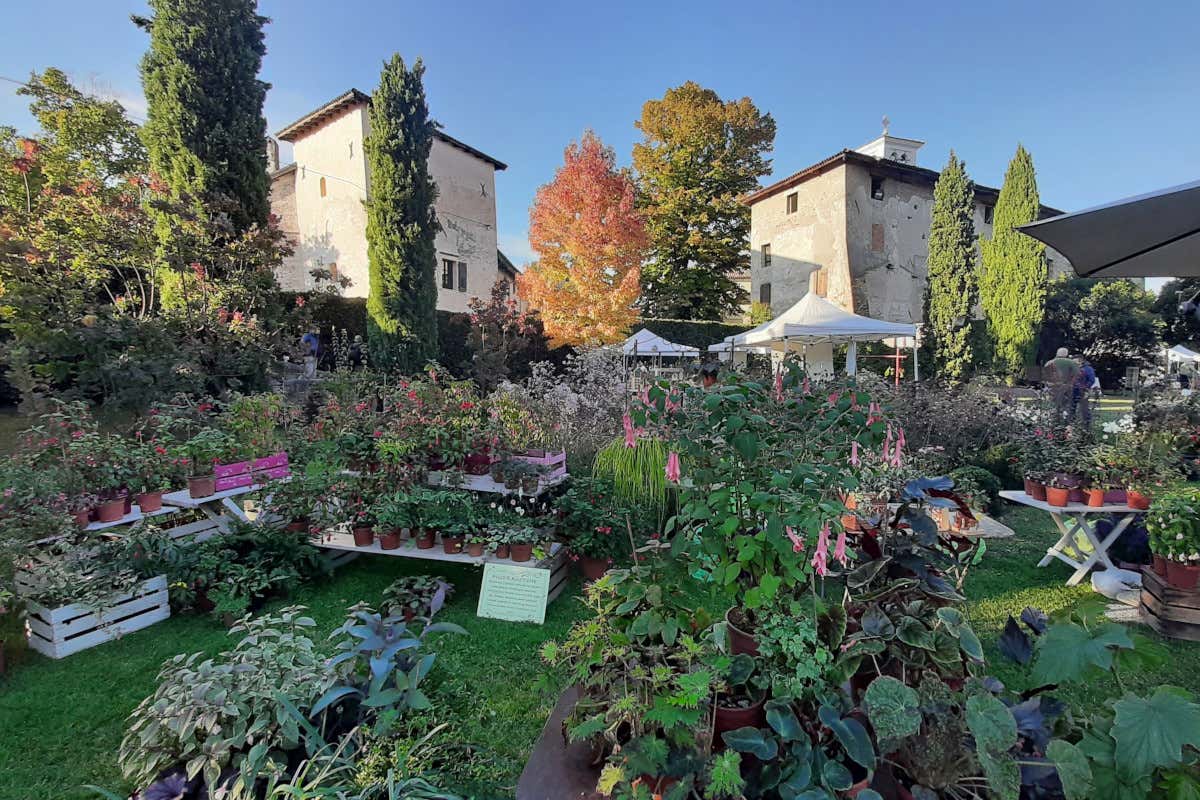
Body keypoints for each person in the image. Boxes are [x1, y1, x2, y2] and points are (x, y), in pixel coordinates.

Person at [1044, 347, 1079, 420]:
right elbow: (1077, 375)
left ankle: (1053, 419)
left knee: (1053, 404)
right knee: (1066, 406)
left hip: (1052, 387)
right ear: (1066, 354)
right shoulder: (1071, 363)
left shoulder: (1049, 363)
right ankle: (1066, 420)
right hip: (1066, 388)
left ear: (1057, 353)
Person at [1072, 358, 1096, 425]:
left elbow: (1091, 380)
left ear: (1080, 361)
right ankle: (1071, 423)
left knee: (1084, 408)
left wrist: (1085, 387)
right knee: (1071, 408)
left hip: (1083, 391)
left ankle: (1086, 424)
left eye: (1074, 361)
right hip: (1072, 390)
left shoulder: (1088, 369)